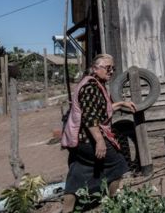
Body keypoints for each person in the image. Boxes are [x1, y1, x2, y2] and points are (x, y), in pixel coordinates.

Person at [60, 54, 136, 212]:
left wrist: (121, 104)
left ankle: (67, 210)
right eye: (108, 68)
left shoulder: (92, 83)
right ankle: (113, 204)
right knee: (118, 165)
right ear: (96, 68)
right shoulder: (91, 87)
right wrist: (100, 141)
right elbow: (90, 118)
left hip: (78, 141)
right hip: (88, 139)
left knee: (78, 171)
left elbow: (99, 110)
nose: (111, 71)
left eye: (113, 68)